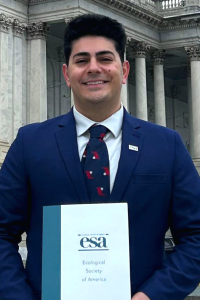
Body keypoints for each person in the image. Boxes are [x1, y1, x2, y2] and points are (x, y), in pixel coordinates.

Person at [0, 13, 200, 300]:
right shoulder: (30, 143)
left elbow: (195, 237)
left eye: (105, 59)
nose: (94, 68)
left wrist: (152, 296)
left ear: (125, 70)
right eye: (82, 61)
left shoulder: (166, 146)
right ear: (67, 74)